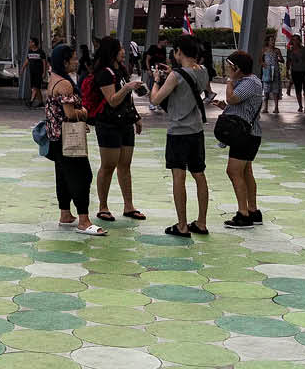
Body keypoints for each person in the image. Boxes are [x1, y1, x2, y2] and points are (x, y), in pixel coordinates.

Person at [151, 35, 211, 239]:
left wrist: (157, 81)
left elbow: (156, 99)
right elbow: (189, 81)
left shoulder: (175, 76)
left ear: (178, 52)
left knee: (179, 176)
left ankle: (182, 225)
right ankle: (201, 223)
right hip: (196, 131)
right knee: (199, 175)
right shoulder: (203, 71)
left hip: (178, 132)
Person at [45, 45, 105, 236]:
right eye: (73, 58)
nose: (76, 61)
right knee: (82, 175)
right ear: (64, 61)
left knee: (63, 176)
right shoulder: (64, 84)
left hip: (55, 138)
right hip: (68, 139)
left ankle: (65, 214)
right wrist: (85, 112)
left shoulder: (53, 79)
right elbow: (70, 114)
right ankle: (84, 220)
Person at [91, 37, 145, 223]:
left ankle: (128, 206)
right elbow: (112, 100)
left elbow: (126, 99)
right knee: (108, 166)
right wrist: (128, 87)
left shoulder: (120, 70)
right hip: (108, 124)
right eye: (121, 48)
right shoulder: (105, 73)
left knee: (125, 165)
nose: (124, 51)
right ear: (112, 51)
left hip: (125, 124)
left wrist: (136, 116)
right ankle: (103, 206)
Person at [214, 50, 265, 229]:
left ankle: (243, 214)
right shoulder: (250, 82)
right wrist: (224, 107)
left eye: (230, 67)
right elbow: (240, 105)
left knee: (233, 171)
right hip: (249, 134)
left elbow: (232, 98)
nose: (228, 70)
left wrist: (229, 82)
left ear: (237, 68)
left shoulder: (249, 82)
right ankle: (252, 210)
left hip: (245, 135)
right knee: (245, 172)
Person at [286, 33, 305, 112]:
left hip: (304, 70)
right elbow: (288, 61)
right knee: (298, 89)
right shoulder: (290, 50)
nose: (295, 41)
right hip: (295, 71)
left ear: (299, 41)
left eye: (296, 39)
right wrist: (287, 71)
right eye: (293, 40)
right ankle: (300, 106)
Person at [260, 32, 283, 115]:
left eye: (273, 41)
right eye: (271, 41)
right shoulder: (264, 50)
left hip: (275, 71)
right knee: (266, 89)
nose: (273, 42)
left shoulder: (277, 50)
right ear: (268, 42)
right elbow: (260, 60)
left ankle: (276, 107)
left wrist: (278, 59)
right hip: (267, 72)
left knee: (275, 90)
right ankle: (265, 107)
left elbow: (282, 60)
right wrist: (264, 64)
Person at [25, 37, 45, 108]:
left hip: (38, 72)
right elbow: (27, 60)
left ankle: (31, 101)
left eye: (30, 42)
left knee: (35, 87)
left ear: (34, 43)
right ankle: (41, 102)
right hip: (32, 72)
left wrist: (44, 72)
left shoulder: (40, 52)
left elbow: (44, 62)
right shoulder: (30, 52)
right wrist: (22, 68)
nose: (29, 43)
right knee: (37, 88)